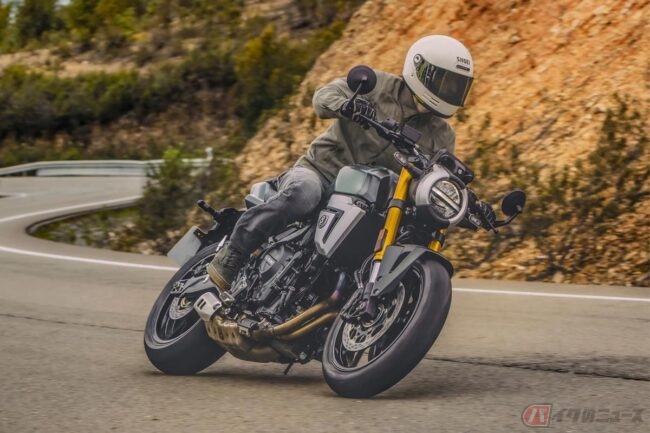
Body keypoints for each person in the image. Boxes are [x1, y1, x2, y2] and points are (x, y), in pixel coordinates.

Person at [207, 34, 475, 290]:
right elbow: (323, 96)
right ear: (420, 69)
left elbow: (436, 176)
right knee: (303, 193)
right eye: (444, 81)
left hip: (373, 201)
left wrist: (463, 200)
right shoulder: (377, 85)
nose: (449, 90)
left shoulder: (443, 135)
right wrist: (347, 105)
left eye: (456, 85)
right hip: (322, 173)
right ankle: (235, 252)